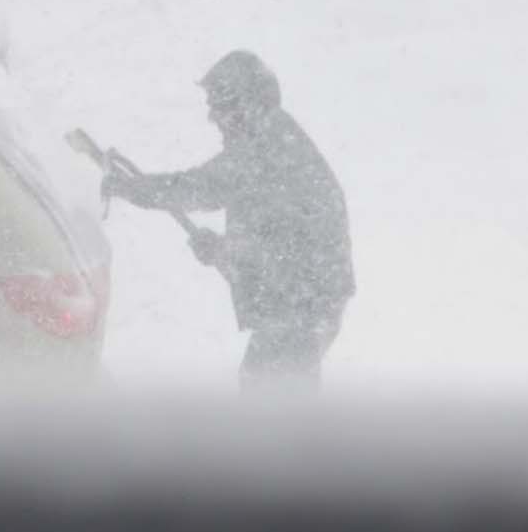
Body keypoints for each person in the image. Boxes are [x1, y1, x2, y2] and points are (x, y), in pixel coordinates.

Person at [101, 50, 354, 388]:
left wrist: (131, 189)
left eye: (218, 105)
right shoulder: (272, 139)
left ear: (244, 104)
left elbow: (199, 188)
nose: (212, 117)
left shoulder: (266, 144)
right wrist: (223, 251)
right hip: (304, 302)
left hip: (300, 305)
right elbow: (277, 238)